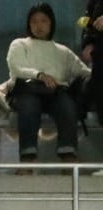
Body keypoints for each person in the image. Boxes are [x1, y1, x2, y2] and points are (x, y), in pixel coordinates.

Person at [6, 4, 87, 165]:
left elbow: (82, 71)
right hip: (27, 91)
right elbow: (16, 67)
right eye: (34, 21)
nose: (39, 26)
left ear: (51, 23)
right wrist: (39, 75)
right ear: (29, 24)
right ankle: (27, 158)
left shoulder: (62, 51)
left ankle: (68, 155)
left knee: (67, 105)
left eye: (44, 21)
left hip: (55, 92)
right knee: (29, 106)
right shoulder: (19, 44)